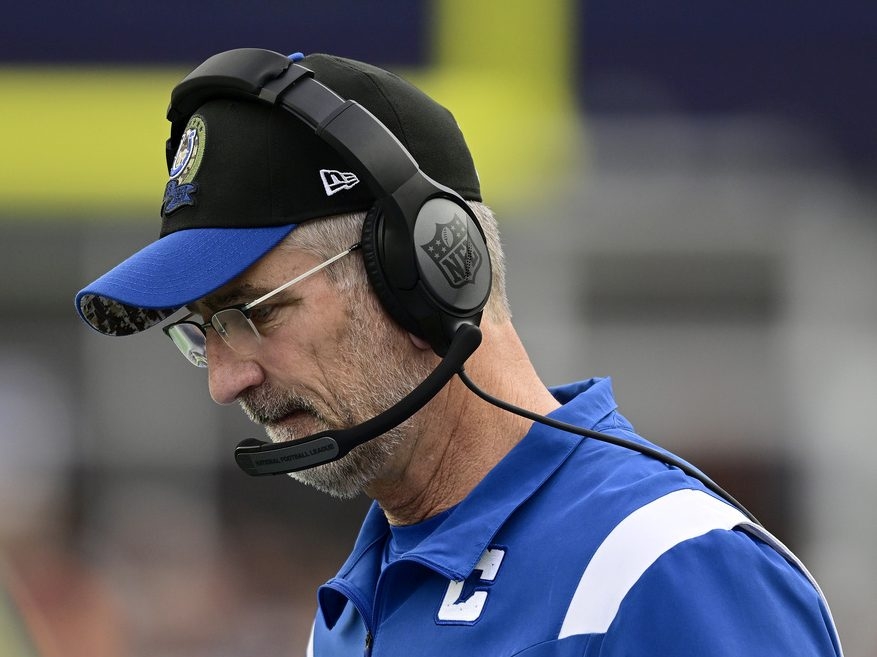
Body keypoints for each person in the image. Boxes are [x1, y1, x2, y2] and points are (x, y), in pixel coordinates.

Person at [75, 48, 844, 656]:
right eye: (203, 329)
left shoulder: (664, 567)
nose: (226, 380)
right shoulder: (348, 614)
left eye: (257, 310)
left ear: (426, 270)